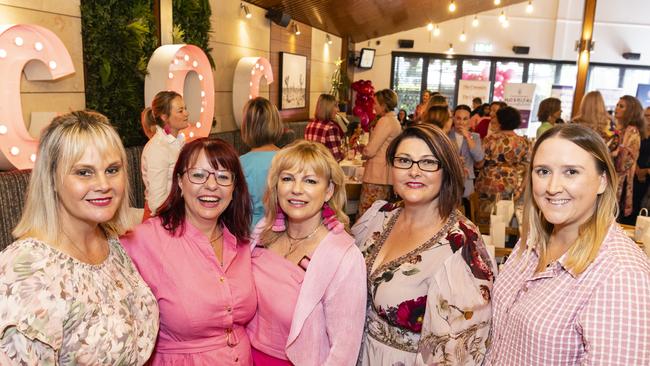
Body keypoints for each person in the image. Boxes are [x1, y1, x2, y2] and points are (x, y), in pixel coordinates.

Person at [0, 111, 159, 364]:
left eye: (112, 169)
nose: (103, 184)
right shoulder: (26, 272)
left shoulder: (110, 243)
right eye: (84, 172)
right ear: (51, 178)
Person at [484, 124, 650, 365]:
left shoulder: (622, 275)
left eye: (571, 172)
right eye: (543, 171)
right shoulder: (531, 240)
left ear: (602, 181)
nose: (552, 187)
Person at [353, 124, 495, 365]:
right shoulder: (379, 217)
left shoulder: (461, 245)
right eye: (404, 160)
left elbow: (458, 352)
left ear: (446, 171)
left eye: (428, 162)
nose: (414, 171)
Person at [121, 138, 255, 365]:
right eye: (198, 175)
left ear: (234, 188)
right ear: (180, 182)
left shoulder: (241, 242)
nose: (211, 185)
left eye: (223, 177)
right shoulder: (145, 240)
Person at [247, 140, 366, 365]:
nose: (297, 189)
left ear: (329, 190)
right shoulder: (264, 230)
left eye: (310, 181)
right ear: (276, 185)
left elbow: (344, 349)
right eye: (287, 178)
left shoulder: (343, 257)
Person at [475, 106, 530, 225]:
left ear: (500, 121)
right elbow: (529, 168)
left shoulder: (490, 139)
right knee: (506, 219)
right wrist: (521, 189)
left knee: (486, 218)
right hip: (511, 183)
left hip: (488, 182)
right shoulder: (523, 142)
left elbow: (479, 164)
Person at [141, 90, 189, 219]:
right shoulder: (158, 148)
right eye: (180, 111)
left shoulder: (179, 142)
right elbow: (157, 203)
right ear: (164, 117)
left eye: (185, 108)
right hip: (162, 219)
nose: (186, 113)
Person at [240, 97, 284, 229]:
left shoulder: (239, 163)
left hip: (249, 232)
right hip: (282, 230)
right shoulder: (288, 159)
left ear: (246, 127)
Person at [358, 89, 402, 216]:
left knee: (367, 214)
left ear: (384, 105)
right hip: (385, 174)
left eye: (376, 103)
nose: (373, 106)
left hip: (376, 175)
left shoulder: (385, 121)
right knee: (378, 214)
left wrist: (363, 152)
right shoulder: (393, 120)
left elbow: (371, 150)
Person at [613, 95, 646, 224]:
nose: (617, 108)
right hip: (616, 179)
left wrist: (613, 153)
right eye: (617, 105)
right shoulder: (621, 130)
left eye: (621, 106)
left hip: (623, 181)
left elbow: (623, 164)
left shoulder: (632, 131)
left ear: (630, 111)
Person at [449, 104, 484, 215]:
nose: (461, 122)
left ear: (470, 120)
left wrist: (467, 136)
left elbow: (479, 157)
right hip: (449, 181)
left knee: (466, 216)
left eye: (465, 119)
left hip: (467, 183)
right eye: (458, 118)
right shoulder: (446, 135)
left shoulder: (475, 137)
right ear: (453, 118)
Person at [305, 93, 345, 161]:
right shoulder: (331, 128)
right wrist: (344, 155)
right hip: (326, 169)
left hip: (311, 166)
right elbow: (336, 157)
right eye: (335, 106)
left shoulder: (309, 125)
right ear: (328, 108)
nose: (338, 109)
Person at [633, 106, 650, 216]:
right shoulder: (637, 132)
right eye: (646, 115)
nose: (648, 118)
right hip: (633, 173)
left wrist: (646, 171)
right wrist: (637, 169)